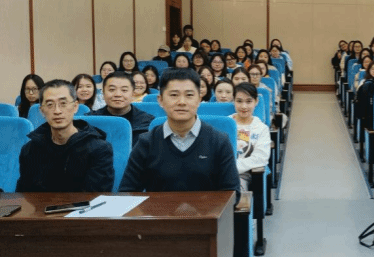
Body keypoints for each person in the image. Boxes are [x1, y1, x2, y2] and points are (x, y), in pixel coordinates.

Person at [118, 69, 240, 199]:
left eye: (189, 95)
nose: (182, 102)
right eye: (174, 95)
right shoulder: (146, 143)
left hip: (208, 212)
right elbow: (127, 193)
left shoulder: (219, 141)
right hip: (160, 212)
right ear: (160, 100)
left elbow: (232, 193)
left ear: (199, 99)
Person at [17, 79, 114, 192]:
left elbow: (95, 196)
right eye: (50, 104)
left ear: (75, 106)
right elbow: (24, 194)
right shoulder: (30, 150)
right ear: (42, 110)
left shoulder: (99, 149)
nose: (57, 111)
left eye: (63, 103)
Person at [87, 71, 154, 146]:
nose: (118, 94)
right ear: (103, 93)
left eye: (124, 90)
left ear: (133, 93)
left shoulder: (147, 122)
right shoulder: (89, 121)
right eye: (112, 89)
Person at [231, 82, 271, 192]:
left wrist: (231, 168)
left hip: (242, 176)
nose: (244, 106)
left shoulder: (261, 128)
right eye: (239, 101)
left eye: (249, 101)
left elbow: (260, 158)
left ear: (256, 102)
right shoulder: (226, 123)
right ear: (233, 101)